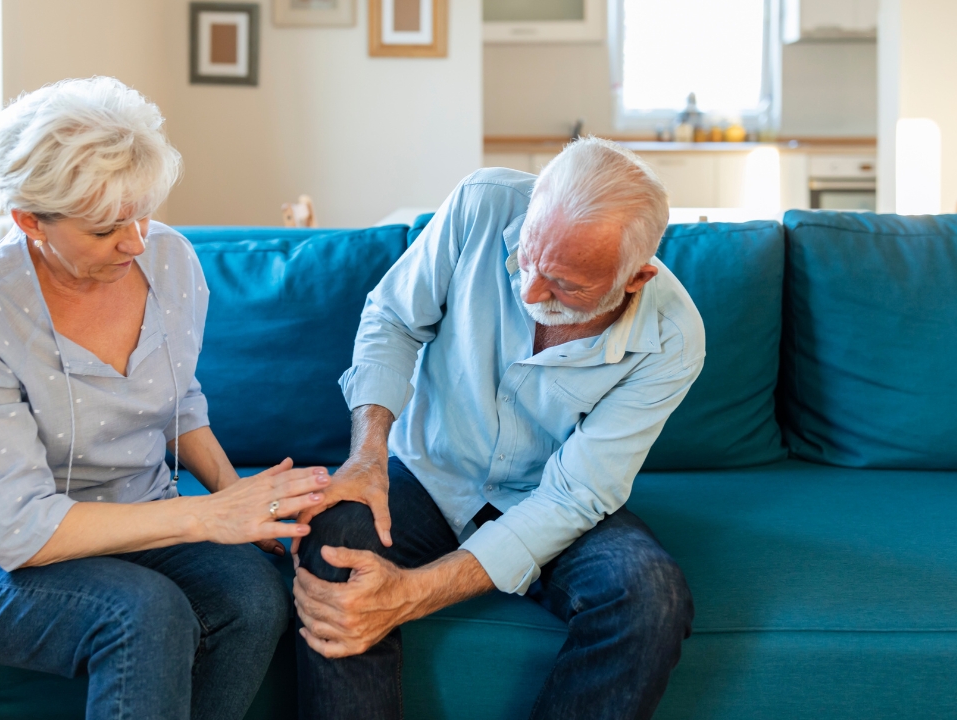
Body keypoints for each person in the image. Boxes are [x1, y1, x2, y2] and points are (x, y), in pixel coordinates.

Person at [0, 77, 330, 720]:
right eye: (106, 228)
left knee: (254, 594)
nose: (134, 242)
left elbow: (178, 401)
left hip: (136, 520)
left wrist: (239, 500)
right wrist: (206, 518)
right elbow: (20, 531)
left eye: (141, 214)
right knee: (142, 612)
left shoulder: (170, 260)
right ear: (30, 221)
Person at [291, 137, 706, 720]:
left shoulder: (672, 339)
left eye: (566, 285)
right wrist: (367, 455)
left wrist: (409, 595)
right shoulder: (482, 204)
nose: (531, 292)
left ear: (633, 280)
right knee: (334, 541)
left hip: (546, 496)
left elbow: (575, 496)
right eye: (526, 260)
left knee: (650, 597)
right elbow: (391, 320)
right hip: (428, 469)